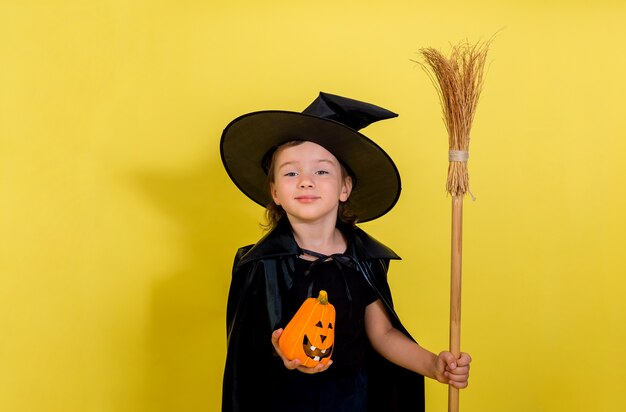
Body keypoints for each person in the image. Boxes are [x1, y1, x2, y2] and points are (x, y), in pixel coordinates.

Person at [220, 92, 471, 412]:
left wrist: (433, 365)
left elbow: (383, 334)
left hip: (354, 399)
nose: (306, 182)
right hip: (286, 401)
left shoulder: (361, 260)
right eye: (291, 173)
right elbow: (254, 347)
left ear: (345, 188)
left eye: (321, 171)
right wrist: (286, 351)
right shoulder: (260, 264)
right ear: (275, 193)